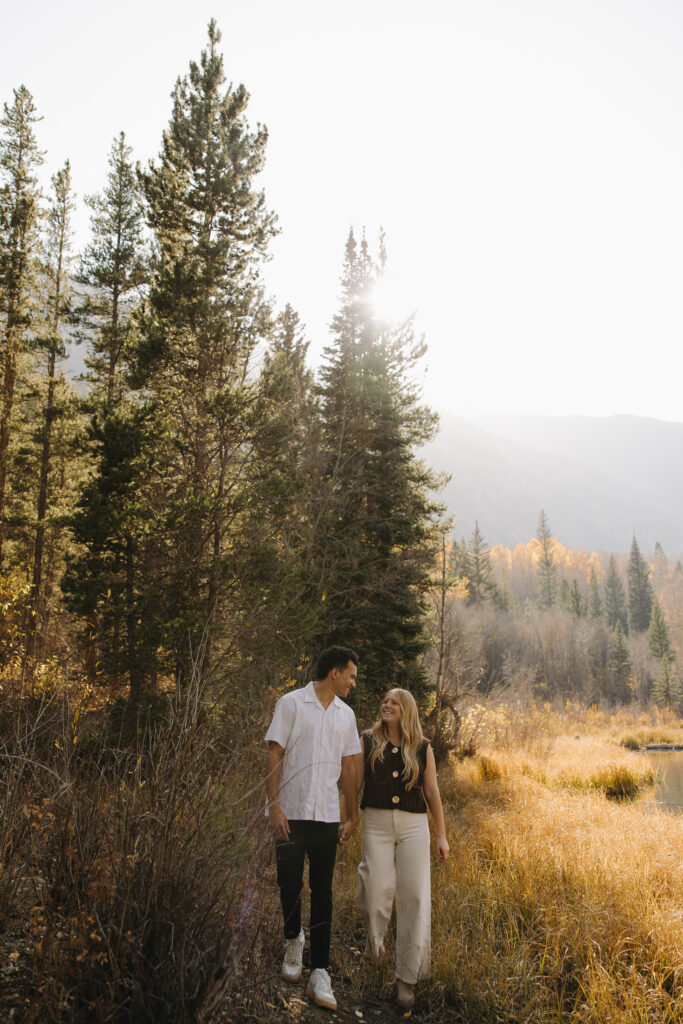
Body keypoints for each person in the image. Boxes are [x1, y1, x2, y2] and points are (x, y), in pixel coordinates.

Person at [265, 646, 362, 1011]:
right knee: (287, 882)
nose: (353, 682)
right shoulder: (291, 704)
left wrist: (352, 814)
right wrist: (273, 807)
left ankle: (320, 970)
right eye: (351, 675)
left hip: (326, 815)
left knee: (323, 892)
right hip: (290, 811)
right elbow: (274, 752)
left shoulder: (345, 716)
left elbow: (350, 767)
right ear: (335, 672)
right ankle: (294, 938)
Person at [355, 688, 450, 1010]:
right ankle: (375, 950)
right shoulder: (367, 740)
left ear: (406, 710)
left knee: (415, 896)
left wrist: (441, 835)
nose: (387, 705)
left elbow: (433, 791)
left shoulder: (422, 748)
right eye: (385, 701)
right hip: (376, 823)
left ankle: (407, 978)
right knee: (373, 889)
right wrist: (349, 817)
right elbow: (353, 782)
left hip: (414, 827)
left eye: (394, 702)